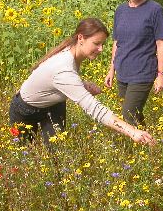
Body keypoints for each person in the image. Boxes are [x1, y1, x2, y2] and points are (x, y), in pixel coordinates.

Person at [9, 18, 155, 146]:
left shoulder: (71, 53)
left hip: (53, 106)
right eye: (97, 43)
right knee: (24, 154)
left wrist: (82, 85)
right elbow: (95, 109)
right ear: (80, 38)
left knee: (58, 156)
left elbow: (55, 81)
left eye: (103, 44)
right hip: (25, 111)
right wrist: (132, 131)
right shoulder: (63, 67)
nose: (101, 49)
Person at [104, 0, 163, 126]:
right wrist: (111, 69)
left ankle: (132, 149)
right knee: (134, 114)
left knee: (128, 114)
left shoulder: (155, 10)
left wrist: (161, 75)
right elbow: (117, 42)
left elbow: (161, 44)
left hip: (142, 72)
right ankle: (150, 145)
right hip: (123, 72)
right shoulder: (121, 10)